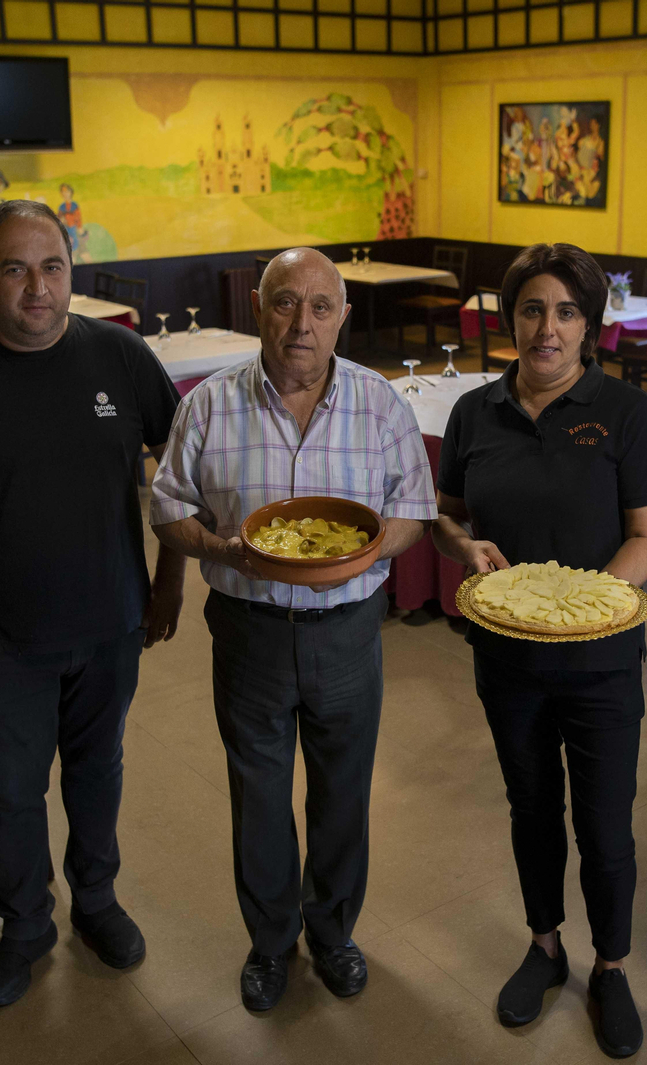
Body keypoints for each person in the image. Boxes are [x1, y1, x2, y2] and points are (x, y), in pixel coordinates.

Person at [0, 199, 185, 1008]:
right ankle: (26, 926)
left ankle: (96, 901)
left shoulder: (120, 357)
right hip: (4, 641)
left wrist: (169, 579)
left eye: (51, 267)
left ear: (71, 271)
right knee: (13, 794)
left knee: (97, 772)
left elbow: (181, 472)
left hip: (113, 623)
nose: (36, 288)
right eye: (14, 269)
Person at [149, 247, 435, 1012]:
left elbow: (413, 508)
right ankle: (271, 942)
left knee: (343, 792)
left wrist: (364, 556)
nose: (301, 323)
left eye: (319, 306)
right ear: (258, 309)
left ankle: (333, 932)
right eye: (284, 303)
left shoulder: (380, 404)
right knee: (260, 794)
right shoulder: (207, 404)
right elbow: (168, 506)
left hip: (348, 631)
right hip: (249, 629)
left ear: (343, 315)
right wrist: (219, 548)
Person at [430, 242, 647, 1059]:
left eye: (567, 311)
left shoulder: (627, 414)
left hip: (600, 663)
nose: (548, 328)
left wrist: (582, 606)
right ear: (509, 318)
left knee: (604, 824)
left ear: (590, 325)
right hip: (509, 661)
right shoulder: (474, 412)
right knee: (531, 808)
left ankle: (611, 964)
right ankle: (544, 944)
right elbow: (447, 512)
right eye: (532, 309)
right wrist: (461, 546)